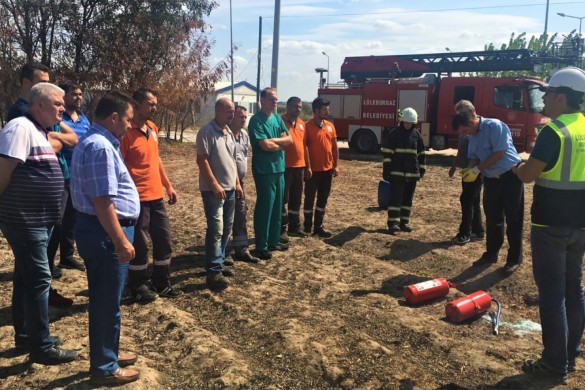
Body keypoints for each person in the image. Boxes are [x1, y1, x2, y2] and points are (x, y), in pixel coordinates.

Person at [515, 67, 585, 382]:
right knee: (574, 289)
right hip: (580, 225)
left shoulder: (553, 131)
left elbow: (529, 175)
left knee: (553, 294)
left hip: (551, 226)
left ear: (562, 96)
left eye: (547, 93)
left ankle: (555, 363)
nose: (543, 99)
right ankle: (570, 353)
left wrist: (518, 167)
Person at [0, 82, 77, 365]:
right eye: (57, 104)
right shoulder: (19, 128)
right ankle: (41, 347)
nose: (63, 108)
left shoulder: (39, 130)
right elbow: (3, 172)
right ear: (39, 105)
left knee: (25, 277)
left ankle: (25, 335)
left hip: (37, 219)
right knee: (41, 279)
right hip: (24, 219)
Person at [71, 92, 141, 385]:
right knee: (105, 301)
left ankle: (107, 353)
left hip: (98, 230)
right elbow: (102, 201)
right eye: (126, 119)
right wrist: (120, 240)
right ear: (113, 117)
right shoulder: (100, 147)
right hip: (105, 232)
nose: (128, 125)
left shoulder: (93, 141)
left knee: (107, 298)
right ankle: (104, 366)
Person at [7, 62, 77, 307]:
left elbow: (72, 138)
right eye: (41, 80)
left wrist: (55, 137)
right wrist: (53, 139)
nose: (61, 107)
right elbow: (47, 145)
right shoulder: (20, 115)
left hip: (50, 196)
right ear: (27, 83)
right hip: (29, 211)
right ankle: (33, 321)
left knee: (47, 249)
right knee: (33, 265)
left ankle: (41, 296)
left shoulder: (46, 112)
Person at [121, 88, 182, 302]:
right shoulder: (126, 132)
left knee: (163, 239)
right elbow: (120, 167)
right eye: (150, 103)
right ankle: (137, 284)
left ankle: (161, 281)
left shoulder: (153, 128)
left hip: (156, 197)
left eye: (155, 103)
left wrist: (168, 185)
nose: (154, 107)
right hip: (136, 199)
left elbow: (156, 160)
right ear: (136, 104)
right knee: (140, 244)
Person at [451, 103, 524, 273]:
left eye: (463, 131)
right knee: (493, 218)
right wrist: (470, 170)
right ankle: (491, 254)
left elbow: (499, 154)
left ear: (470, 123)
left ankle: (514, 259)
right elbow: (474, 157)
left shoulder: (495, 126)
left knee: (513, 219)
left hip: (510, 177)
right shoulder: (472, 136)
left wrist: (477, 169)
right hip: (491, 179)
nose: (464, 135)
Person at [196, 98, 243, 289]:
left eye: (233, 111)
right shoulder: (206, 132)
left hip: (230, 189)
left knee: (226, 228)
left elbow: (232, 161)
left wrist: (237, 183)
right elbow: (202, 160)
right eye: (229, 111)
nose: (232, 115)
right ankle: (213, 271)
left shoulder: (229, 132)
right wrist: (214, 184)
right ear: (218, 111)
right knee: (216, 228)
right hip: (213, 191)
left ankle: (220, 261)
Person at [47, 80, 90, 273]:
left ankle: (67, 257)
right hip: (61, 175)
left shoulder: (83, 119)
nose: (78, 97)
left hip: (79, 177)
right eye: (74, 94)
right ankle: (48, 262)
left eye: (80, 94)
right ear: (64, 96)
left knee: (72, 219)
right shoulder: (57, 117)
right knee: (58, 220)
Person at [248, 87, 293, 260]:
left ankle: (274, 240)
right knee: (265, 207)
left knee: (277, 207)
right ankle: (261, 245)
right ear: (262, 100)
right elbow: (264, 146)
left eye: (276, 99)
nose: (275, 102)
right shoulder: (256, 121)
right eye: (272, 99)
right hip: (264, 170)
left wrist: (276, 142)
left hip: (279, 168)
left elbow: (290, 140)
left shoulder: (277, 119)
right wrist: (280, 144)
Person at [381, 107, 425, 234]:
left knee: (407, 199)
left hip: (412, 174)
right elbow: (387, 153)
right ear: (401, 122)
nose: (408, 125)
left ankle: (404, 222)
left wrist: (422, 169)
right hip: (397, 173)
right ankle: (393, 223)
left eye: (410, 123)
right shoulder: (394, 134)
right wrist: (386, 171)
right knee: (395, 198)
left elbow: (421, 153)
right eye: (406, 122)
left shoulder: (416, 135)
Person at [449, 100, 485, 245]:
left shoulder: (477, 127)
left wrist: (479, 170)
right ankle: (478, 231)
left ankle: (465, 232)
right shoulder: (463, 127)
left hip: (475, 170)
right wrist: (454, 165)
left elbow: (481, 152)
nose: (459, 116)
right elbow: (461, 150)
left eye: (461, 113)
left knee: (467, 200)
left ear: (470, 111)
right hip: (466, 170)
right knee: (473, 200)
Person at [303, 97, 339, 238]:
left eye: (327, 109)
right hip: (313, 172)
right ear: (316, 111)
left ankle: (318, 227)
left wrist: (336, 165)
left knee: (323, 199)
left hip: (327, 171)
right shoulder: (307, 127)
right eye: (324, 109)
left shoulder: (330, 126)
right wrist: (308, 167)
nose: (327, 111)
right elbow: (304, 147)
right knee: (309, 199)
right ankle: (307, 228)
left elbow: (335, 147)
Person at [229, 105, 260, 263]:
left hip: (240, 182)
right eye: (241, 116)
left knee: (241, 215)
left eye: (245, 117)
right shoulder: (225, 134)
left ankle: (241, 249)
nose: (244, 119)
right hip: (226, 182)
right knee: (225, 217)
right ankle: (225, 253)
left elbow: (243, 156)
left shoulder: (244, 135)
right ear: (232, 116)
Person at [281, 96, 309, 241]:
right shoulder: (279, 121)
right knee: (282, 200)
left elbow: (304, 147)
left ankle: (294, 227)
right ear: (288, 106)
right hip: (285, 168)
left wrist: (307, 166)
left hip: (300, 167)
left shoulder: (302, 124)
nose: (297, 109)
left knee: (296, 200)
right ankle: (282, 229)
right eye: (295, 106)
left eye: (299, 107)